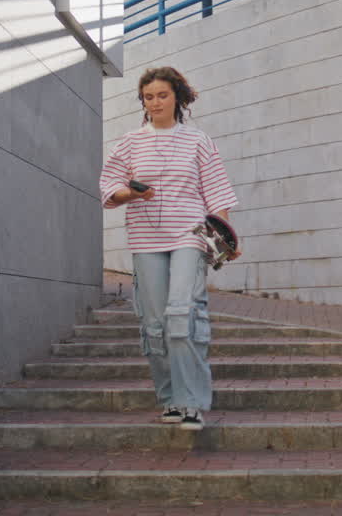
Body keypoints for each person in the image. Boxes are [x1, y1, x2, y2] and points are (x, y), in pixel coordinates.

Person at [99, 67, 240, 431]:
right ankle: (170, 400)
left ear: (177, 97)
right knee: (155, 324)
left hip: (189, 234)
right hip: (145, 239)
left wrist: (224, 240)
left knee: (182, 313)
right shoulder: (129, 142)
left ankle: (191, 403)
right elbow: (109, 188)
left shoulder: (198, 141)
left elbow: (217, 193)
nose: (155, 102)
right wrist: (134, 193)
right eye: (149, 97)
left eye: (162, 95)